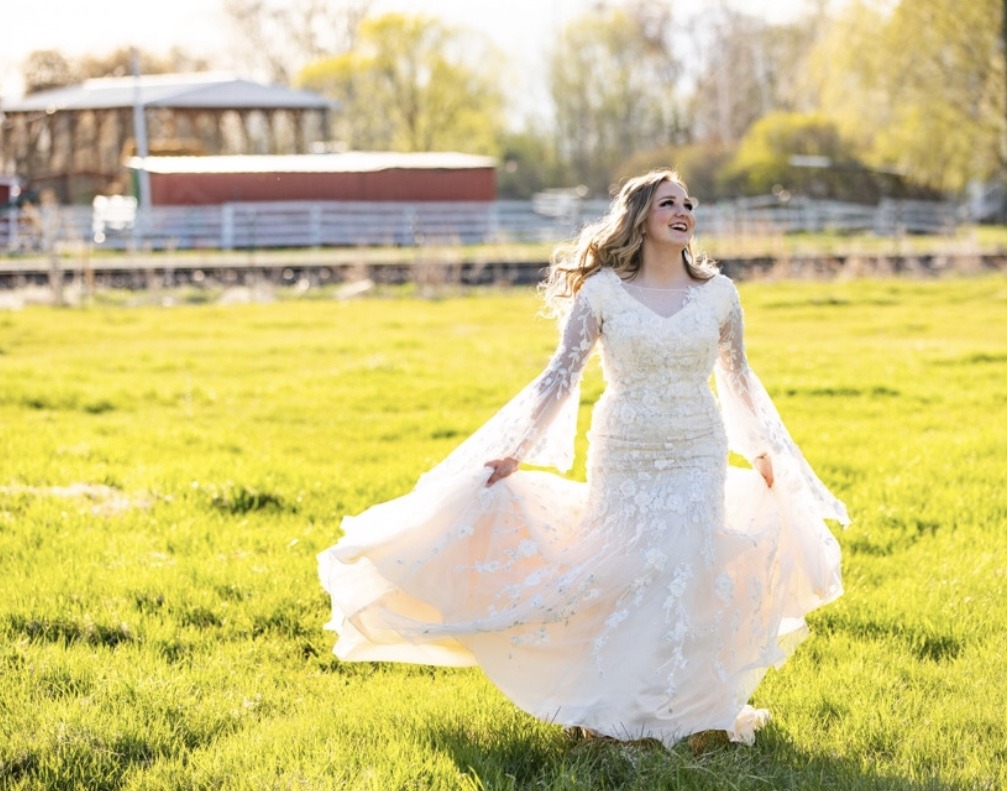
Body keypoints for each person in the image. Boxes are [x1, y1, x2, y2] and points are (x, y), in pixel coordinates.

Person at [318, 169, 849, 747]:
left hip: (697, 449)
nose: (683, 211)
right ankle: (607, 710)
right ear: (640, 216)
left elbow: (738, 378)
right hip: (625, 452)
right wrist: (515, 452)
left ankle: (689, 714)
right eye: (668, 202)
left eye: (688, 203)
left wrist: (763, 452)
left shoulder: (719, 294)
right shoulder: (602, 293)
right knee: (623, 574)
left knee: (686, 569)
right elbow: (560, 376)